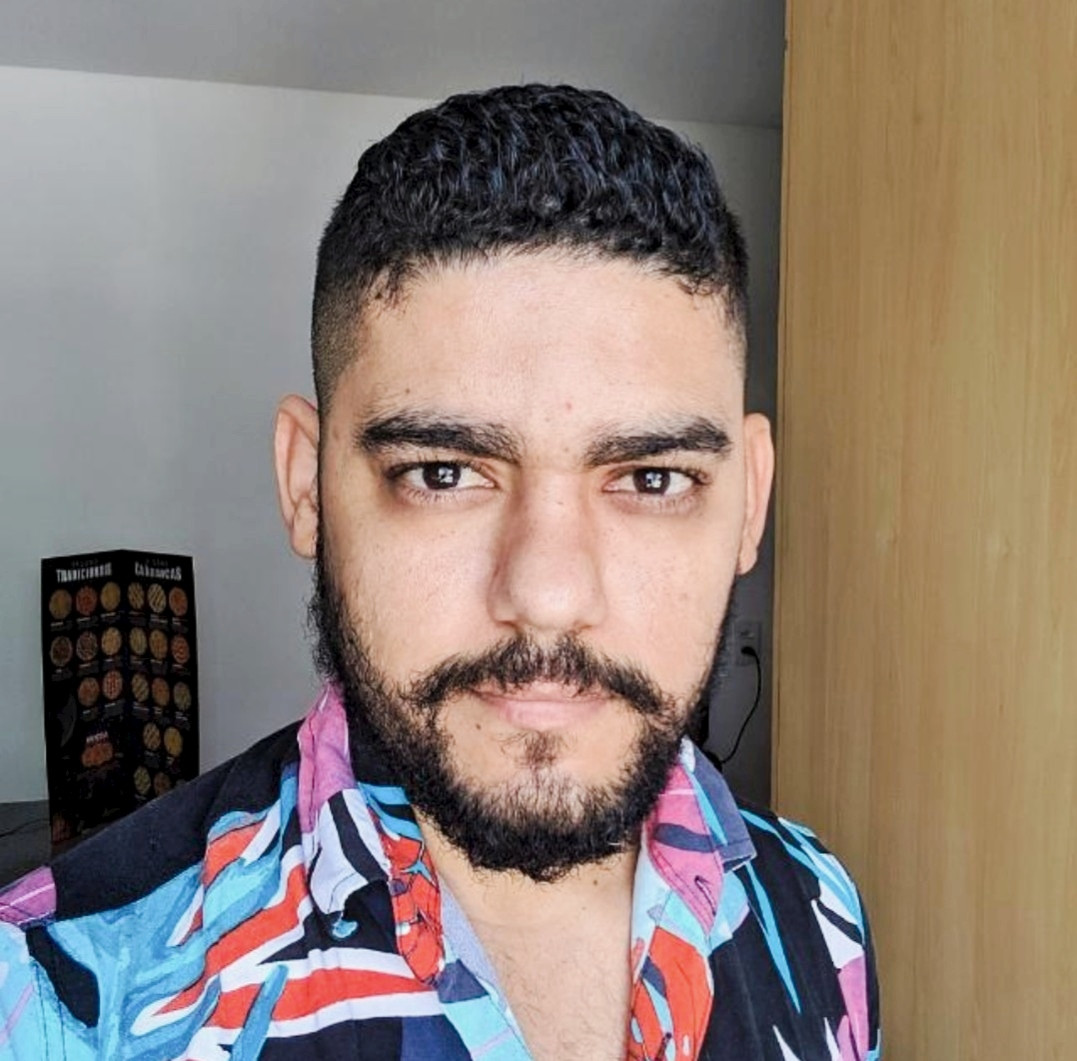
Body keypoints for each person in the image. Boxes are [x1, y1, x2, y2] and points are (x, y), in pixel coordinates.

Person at [0, 84, 879, 1060]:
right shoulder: (59, 1003)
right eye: (444, 472)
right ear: (307, 484)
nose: (547, 594)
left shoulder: (819, 912)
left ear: (748, 499)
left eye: (651, 477)